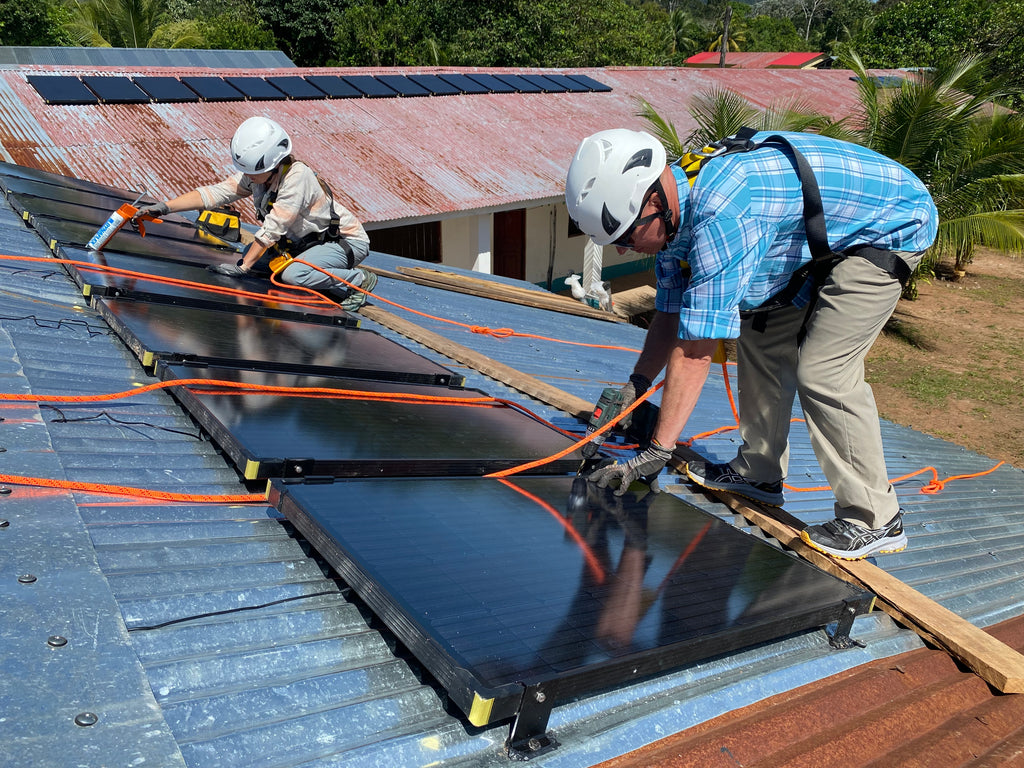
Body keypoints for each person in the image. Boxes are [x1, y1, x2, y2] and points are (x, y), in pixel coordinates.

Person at [565, 128, 938, 561]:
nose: (628, 250)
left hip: (888, 225)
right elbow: (671, 314)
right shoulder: (673, 215)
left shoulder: (725, 214)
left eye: (628, 237)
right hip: (819, 228)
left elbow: (697, 348)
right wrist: (637, 383)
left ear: (653, 201)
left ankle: (875, 518)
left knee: (823, 370)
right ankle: (760, 472)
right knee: (760, 332)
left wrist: (657, 451)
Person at [136, 116, 376, 312]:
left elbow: (273, 228)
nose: (247, 176)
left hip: (343, 243)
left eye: (251, 172)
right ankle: (319, 272)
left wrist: (243, 268)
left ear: (272, 165)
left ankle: (358, 280)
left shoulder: (297, 178)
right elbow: (215, 194)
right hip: (305, 244)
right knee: (255, 259)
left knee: (293, 275)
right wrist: (164, 207)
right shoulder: (258, 177)